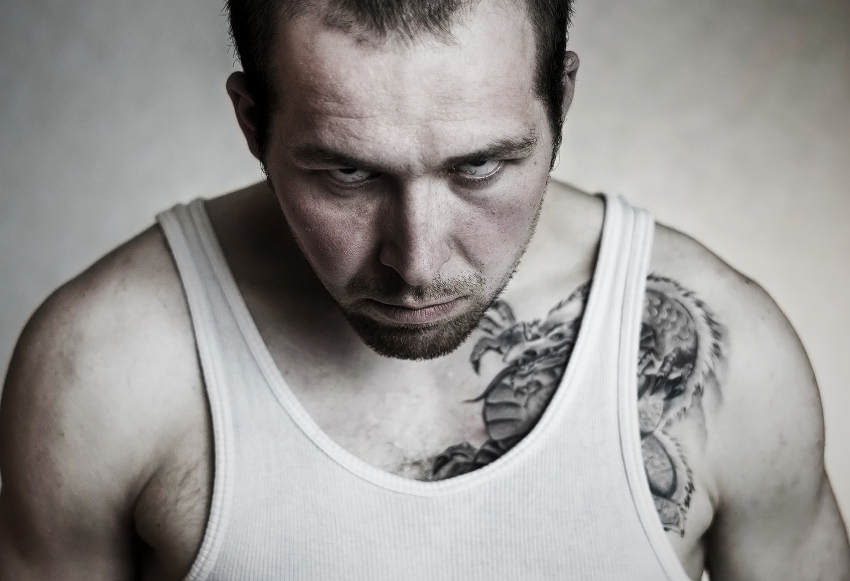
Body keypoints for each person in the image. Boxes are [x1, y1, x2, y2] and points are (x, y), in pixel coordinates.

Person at [0, 0, 848, 578]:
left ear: (561, 101)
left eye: (479, 167)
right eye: (347, 174)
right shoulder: (102, 366)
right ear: (253, 122)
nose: (417, 261)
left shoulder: (737, 359)